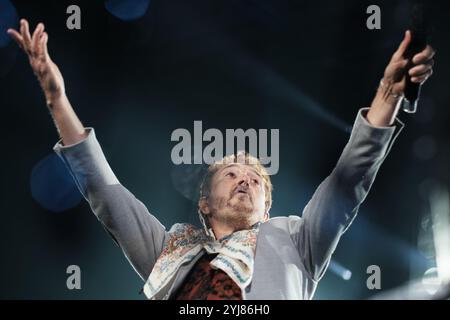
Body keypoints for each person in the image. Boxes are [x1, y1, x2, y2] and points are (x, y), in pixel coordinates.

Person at [8, 19, 435, 300]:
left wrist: (388, 94)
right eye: (232, 174)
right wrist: (56, 98)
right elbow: (104, 191)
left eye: (256, 179)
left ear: (268, 209)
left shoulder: (298, 241)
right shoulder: (169, 250)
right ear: (205, 204)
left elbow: (347, 183)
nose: (246, 180)